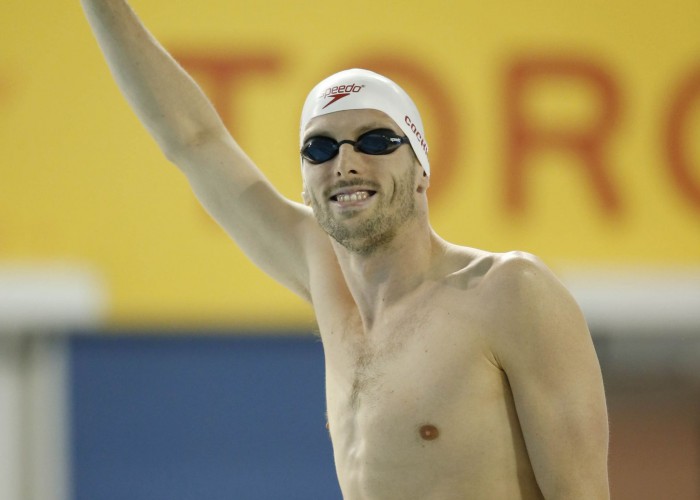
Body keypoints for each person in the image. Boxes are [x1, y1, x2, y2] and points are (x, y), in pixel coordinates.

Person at [81, 1, 610, 498]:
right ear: (307, 181)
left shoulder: (510, 292)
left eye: (377, 141)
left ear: (421, 168)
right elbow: (194, 140)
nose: (347, 161)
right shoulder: (324, 274)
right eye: (321, 147)